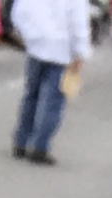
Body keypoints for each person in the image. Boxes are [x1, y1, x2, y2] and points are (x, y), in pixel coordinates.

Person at [9, 0, 83, 156]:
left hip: (36, 46)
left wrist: (29, 37)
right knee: (53, 100)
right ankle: (39, 145)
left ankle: (21, 141)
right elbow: (78, 22)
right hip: (61, 49)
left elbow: (18, 13)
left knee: (31, 94)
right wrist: (79, 51)